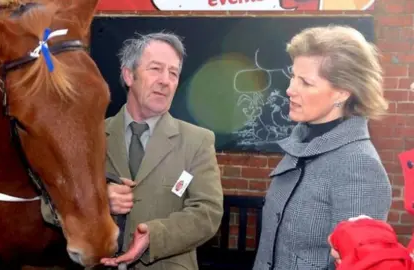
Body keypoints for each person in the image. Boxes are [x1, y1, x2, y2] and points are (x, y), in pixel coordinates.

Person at [252, 25, 392, 270]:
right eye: (292, 76)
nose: (290, 89)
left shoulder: (359, 166)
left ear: (342, 92)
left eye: (305, 82)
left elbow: (358, 264)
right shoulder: (302, 144)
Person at [99, 32, 224, 270]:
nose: (165, 80)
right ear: (129, 75)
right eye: (155, 69)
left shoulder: (197, 141)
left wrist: (154, 237)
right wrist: (97, 202)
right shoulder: (91, 137)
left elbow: (208, 214)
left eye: (173, 73)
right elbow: (49, 206)